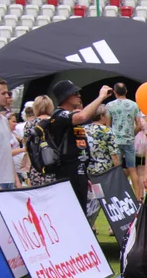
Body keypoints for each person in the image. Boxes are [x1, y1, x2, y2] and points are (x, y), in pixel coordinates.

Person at [48, 80, 113, 212]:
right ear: (65, 96)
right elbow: (82, 116)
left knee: (81, 212)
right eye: (75, 93)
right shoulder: (59, 115)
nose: (79, 95)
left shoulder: (71, 117)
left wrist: (84, 176)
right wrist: (101, 97)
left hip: (80, 174)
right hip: (66, 176)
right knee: (70, 214)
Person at [106, 83, 143, 197]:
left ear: (115, 92)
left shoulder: (109, 105)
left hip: (115, 142)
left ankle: (117, 195)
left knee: (116, 169)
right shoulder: (134, 105)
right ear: (126, 91)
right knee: (132, 169)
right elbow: (139, 125)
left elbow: (108, 126)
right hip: (129, 141)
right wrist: (132, 134)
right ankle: (138, 196)